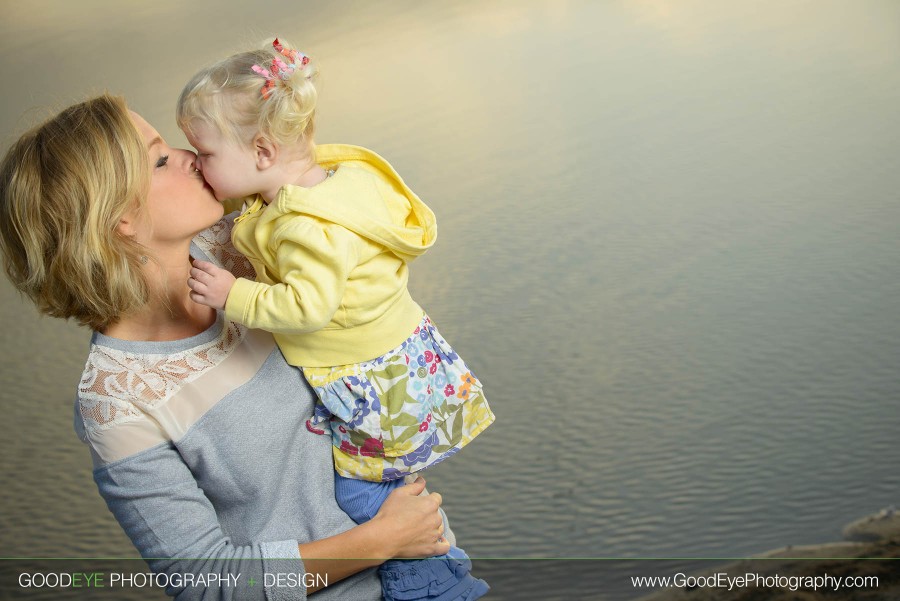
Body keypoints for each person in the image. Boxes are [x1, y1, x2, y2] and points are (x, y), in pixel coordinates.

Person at [0, 94, 456, 601]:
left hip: (434, 571)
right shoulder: (116, 400)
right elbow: (205, 581)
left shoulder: (247, 242)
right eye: (159, 159)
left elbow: (349, 204)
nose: (188, 155)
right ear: (117, 218)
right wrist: (381, 541)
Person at [177, 38, 494, 601]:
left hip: (372, 379)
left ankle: (436, 585)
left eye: (203, 154)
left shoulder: (305, 229)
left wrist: (236, 293)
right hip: (399, 358)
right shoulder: (331, 184)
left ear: (263, 152)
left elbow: (307, 307)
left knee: (359, 493)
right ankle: (443, 563)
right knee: (389, 481)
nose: (196, 165)